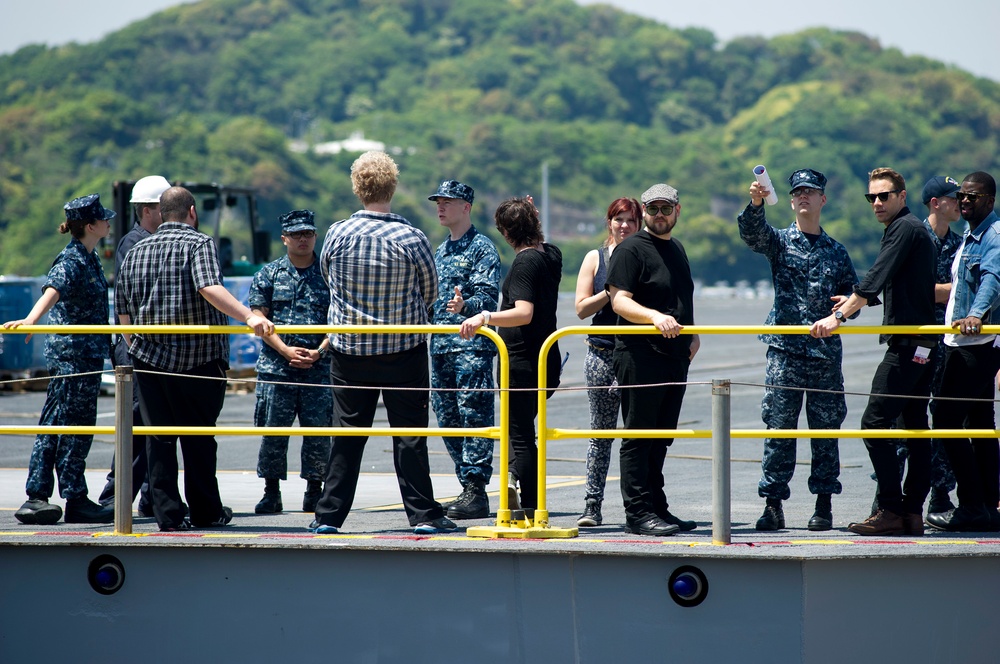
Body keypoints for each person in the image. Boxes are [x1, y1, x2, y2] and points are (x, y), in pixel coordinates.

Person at [116, 186, 274, 531]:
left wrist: (137, 347)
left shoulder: (136, 250)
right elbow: (208, 287)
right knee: (199, 438)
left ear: (160, 212)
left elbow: (123, 312)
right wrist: (249, 316)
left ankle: (168, 516)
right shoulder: (199, 243)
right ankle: (205, 510)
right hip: (199, 361)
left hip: (148, 360)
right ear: (191, 212)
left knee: (159, 439)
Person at [312, 151, 454, 535]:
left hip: (349, 351)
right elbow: (430, 292)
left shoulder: (337, 234)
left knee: (346, 435)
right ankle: (422, 515)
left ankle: (329, 516)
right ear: (393, 186)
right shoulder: (411, 236)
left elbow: (329, 280)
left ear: (357, 187)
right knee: (409, 436)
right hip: (402, 351)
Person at [811, 167, 936, 537]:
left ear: (902, 195)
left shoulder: (904, 228)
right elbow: (894, 281)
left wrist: (839, 316)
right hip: (920, 343)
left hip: (910, 344)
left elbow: (876, 276)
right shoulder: (910, 229)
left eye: (884, 196)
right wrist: (853, 301)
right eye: (872, 197)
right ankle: (912, 512)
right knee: (915, 428)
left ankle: (892, 509)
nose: (877, 203)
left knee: (874, 423)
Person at [737, 168, 858, 532]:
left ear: (823, 199)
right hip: (785, 353)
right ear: (790, 200)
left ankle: (823, 505)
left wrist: (843, 309)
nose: (804, 197)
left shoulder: (837, 252)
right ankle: (773, 504)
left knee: (825, 431)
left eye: (811, 192)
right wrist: (756, 202)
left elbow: (855, 295)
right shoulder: (779, 241)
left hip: (823, 354)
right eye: (798, 192)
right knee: (779, 429)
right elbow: (752, 234)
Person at [6, 194, 115, 525]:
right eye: (103, 218)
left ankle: (60, 494)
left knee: (70, 426)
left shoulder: (89, 257)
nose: (108, 222)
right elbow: (53, 288)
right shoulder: (73, 260)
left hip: (84, 357)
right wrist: (31, 319)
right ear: (91, 225)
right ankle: (50, 496)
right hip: (73, 358)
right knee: (66, 426)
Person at [605, 183, 700, 536]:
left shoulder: (677, 248)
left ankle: (658, 506)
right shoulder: (630, 250)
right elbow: (619, 302)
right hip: (640, 355)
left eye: (666, 208)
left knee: (661, 436)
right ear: (644, 212)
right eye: (653, 209)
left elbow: (681, 297)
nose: (659, 215)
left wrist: (694, 334)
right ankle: (638, 512)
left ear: (678, 210)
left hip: (675, 356)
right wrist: (654, 317)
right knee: (639, 435)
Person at [459, 196, 562, 513]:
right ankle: (518, 487)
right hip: (547, 359)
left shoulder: (523, 264)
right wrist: (531, 214)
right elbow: (541, 240)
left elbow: (523, 312)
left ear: (505, 233)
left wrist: (485, 317)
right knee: (522, 431)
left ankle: (530, 507)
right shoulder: (551, 256)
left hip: (522, 361)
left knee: (519, 436)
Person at [927, 171, 1000, 532]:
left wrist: (975, 314)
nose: (966, 201)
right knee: (981, 423)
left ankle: (971, 504)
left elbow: (993, 279)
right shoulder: (972, 236)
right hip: (966, 341)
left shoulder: (994, 235)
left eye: (973, 196)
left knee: (944, 418)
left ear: (989, 200)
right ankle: (988, 505)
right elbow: (958, 286)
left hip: (975, 342)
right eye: (963, 196)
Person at [248, 209, 332, 515]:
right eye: (296, 234)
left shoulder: (329, 273)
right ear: (284, 238)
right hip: (277, 367)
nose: (303, 240)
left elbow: (340, 320)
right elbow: (258, 317)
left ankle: (315, 491)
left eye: (308, 233)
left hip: (318, 367)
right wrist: (285, 350)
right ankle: (271, 491)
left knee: (319, 433)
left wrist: (320, 351)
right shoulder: (268, 274)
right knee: (273, 431)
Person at [427, 180, 501, 520]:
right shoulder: (439, 251)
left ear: (466, 207)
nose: (441, 207)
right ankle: (465, 484)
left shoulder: (482, 248)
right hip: (441, 348)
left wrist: (465, 304)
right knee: (449, 420)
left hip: (471, 350)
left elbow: (488, 297)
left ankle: (476, 489)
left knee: (474, 416)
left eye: (448, 202)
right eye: (439, 202)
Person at [98, 174, 171, 516]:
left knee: (153, 425)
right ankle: (116, 496)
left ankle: (150, 496)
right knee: (138, 423)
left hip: (147, 345)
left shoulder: (150, 240)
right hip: (136, 346)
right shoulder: (135, 243)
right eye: (163, 207)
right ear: (147, 210)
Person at [574, 197, 639, 527]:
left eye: (630, 219)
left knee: (637, 435)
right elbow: (581, 308)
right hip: (600, 355)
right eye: (618, 219)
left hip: (636, 356)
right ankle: (592, 504)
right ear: (609, 222)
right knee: (600, 434)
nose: (624, 225)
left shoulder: (646, 255)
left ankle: (637, 508)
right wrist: (611, 293)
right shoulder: (594, 258)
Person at [918, 176, 963, 514]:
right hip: (917, 340)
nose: (960, 203)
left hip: (950, 342)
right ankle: (893, 498)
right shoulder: (913, 238)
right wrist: (954, 289)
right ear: (936, 203)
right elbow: (909, 288)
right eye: (953, 198)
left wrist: (943, 289)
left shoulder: (962, 243)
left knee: (946, 416)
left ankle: (941, 492)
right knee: (906, 416)